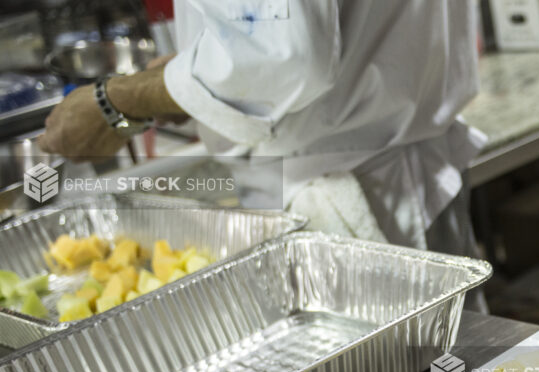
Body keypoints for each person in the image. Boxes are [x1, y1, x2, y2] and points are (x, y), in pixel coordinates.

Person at [38, 0, 484, 264]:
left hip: (353, 203)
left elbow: (276, 56)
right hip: (405, 164)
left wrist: (118, 101)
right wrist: (193, 81)